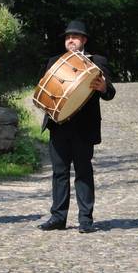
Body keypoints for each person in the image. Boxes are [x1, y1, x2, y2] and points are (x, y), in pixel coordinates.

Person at [38, 20, 115, 234]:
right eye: (67, 37)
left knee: (83, 172)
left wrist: (104, 87)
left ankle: (86, 219)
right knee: (59, 172)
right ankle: (58, 217)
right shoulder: (54, 62)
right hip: (58, 125)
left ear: (84, 40)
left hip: (84, 127)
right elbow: (44, 92)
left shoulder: (97, 62)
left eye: (75, 36)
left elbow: (110, 93)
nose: (70, 40)